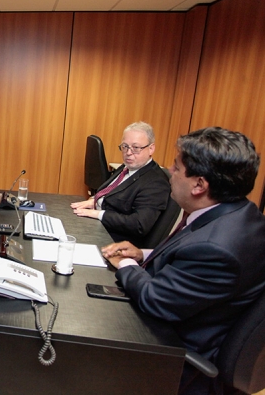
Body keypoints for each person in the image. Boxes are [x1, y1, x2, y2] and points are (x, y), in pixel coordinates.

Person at [102, 127, 265, 395]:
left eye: (177, 168)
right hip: (187, 322)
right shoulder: (237, 213)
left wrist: (125, 264)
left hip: (175, 360)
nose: (169, 170)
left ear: (200, 185)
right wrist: (144, 254)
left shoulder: (217, 248)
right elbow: (192, 261)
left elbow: (156, 299)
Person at [71, 121, 170, 248]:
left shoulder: (156, 183)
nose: (128, 153)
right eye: (125, 146)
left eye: (136, 148)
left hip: (113, 241)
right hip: (98, 226)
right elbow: (115, 193)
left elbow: (139, 224)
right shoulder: (128, 167)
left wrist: (98, 214)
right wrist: (95, 201)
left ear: (151, 148)